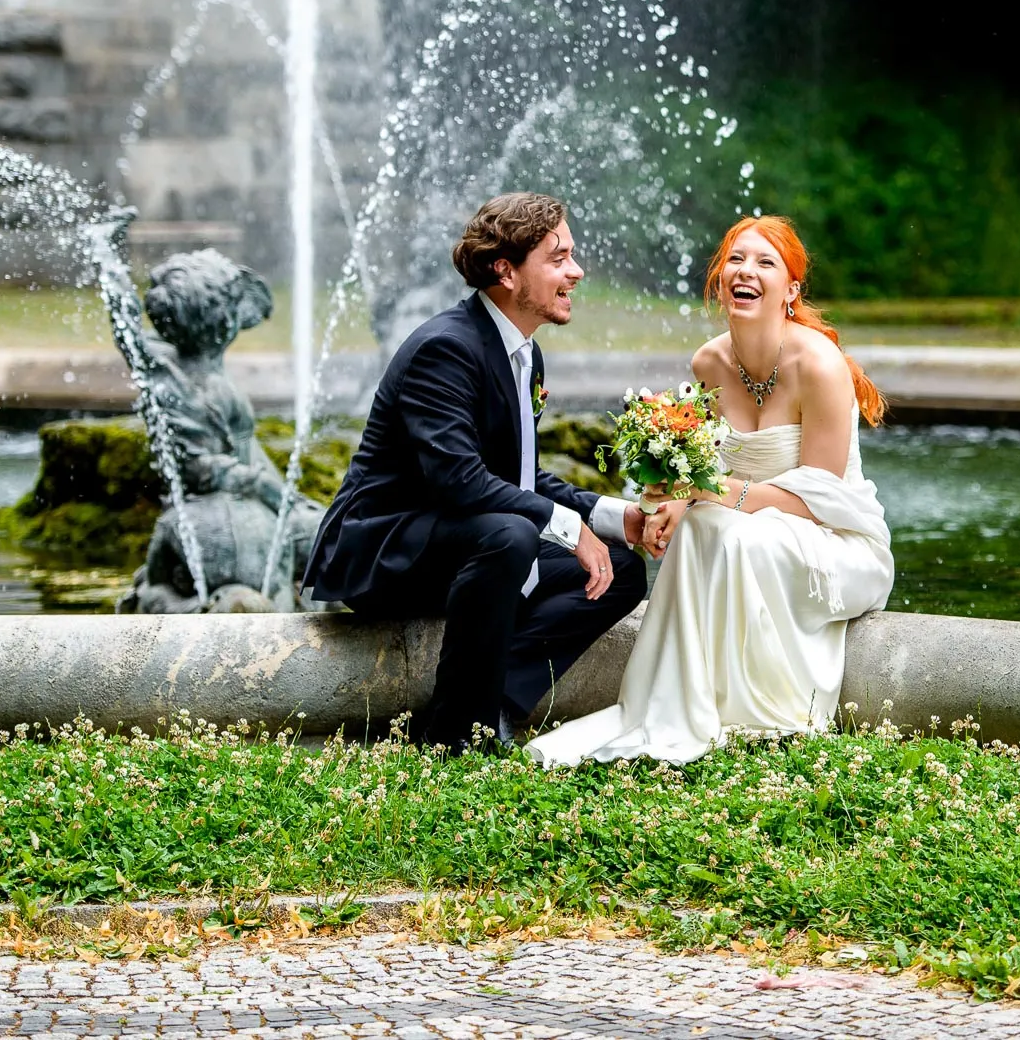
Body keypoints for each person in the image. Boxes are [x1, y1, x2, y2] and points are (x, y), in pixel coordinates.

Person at [526, 216, 894, 767]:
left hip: (836, 544)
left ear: (790, 289)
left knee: (732, 534)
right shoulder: (709, 362)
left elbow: (819, 506)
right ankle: (682, 704)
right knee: (701, 527)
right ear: (720, 280)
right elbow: (704, 472)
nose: (746, 271)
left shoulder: (819, 365)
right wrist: (671, 501)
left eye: (765, 263)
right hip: (744, 531)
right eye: (736, 261)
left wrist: (714, 491)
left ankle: (755, 711)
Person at [302, 193, 649, 750]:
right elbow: (458, 480)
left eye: (573, 256)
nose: (576, 271)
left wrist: (615, 517)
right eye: (558, 258)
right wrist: (566, 528)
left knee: (621, 571)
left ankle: (494, 706)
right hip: (389, 548)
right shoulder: (446, 348)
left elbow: (522, 478)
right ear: (506, 271)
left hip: (466, 542)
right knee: (511, 533)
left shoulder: (525, 353)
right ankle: (455, 735)